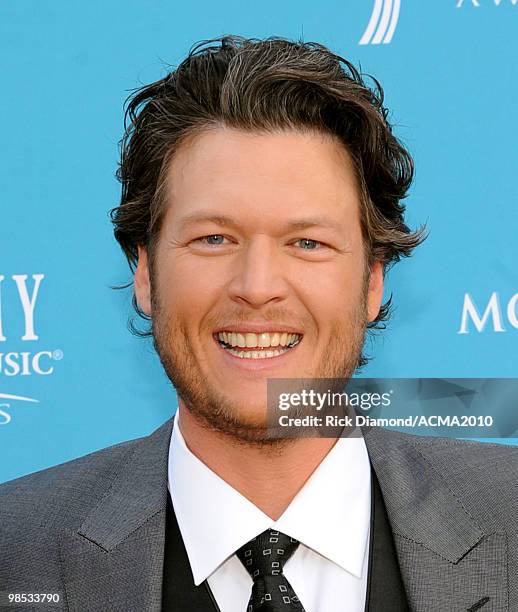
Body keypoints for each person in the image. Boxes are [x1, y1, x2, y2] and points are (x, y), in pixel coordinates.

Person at [1, 35, 517, 612]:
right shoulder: (13, 552)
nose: (256, 286)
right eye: (214, 238)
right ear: (145, 273)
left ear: (372, 282)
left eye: (307, 242)